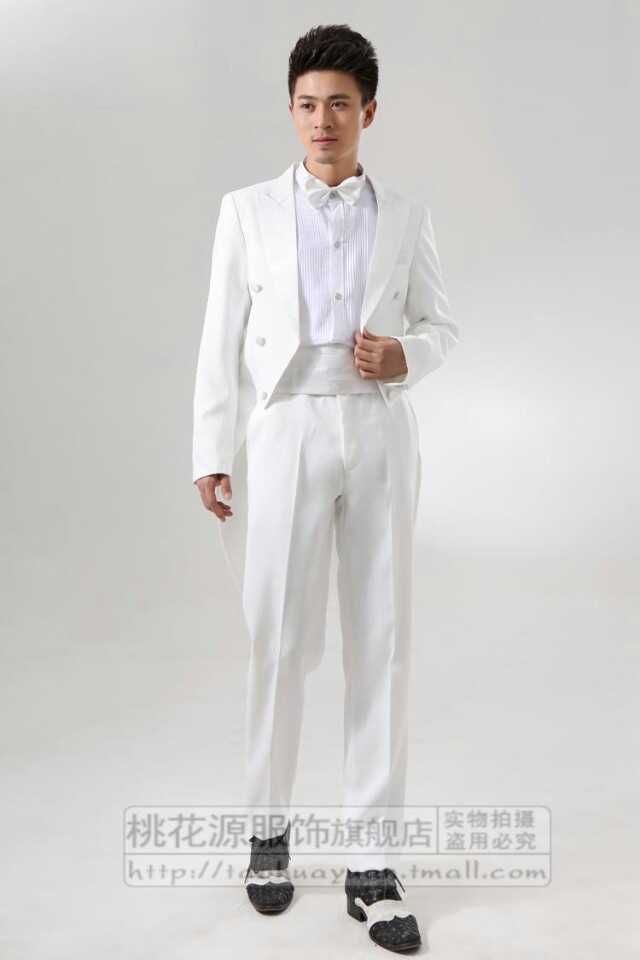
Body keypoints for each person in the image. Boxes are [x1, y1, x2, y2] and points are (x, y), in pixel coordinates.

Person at [192, 23, 458, 952]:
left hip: (378, 429)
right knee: (278, 636)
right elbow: (220, 335)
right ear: (291, 109)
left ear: (368, 112)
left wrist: (406, 356)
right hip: (285, 429)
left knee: (382, 640)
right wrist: (212, 449)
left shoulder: (407, 213)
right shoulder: (246, 211)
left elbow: (443, 325)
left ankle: (372, 864)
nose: (322, 120)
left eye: (339, 104)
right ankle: (268, 833)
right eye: (307, 104)